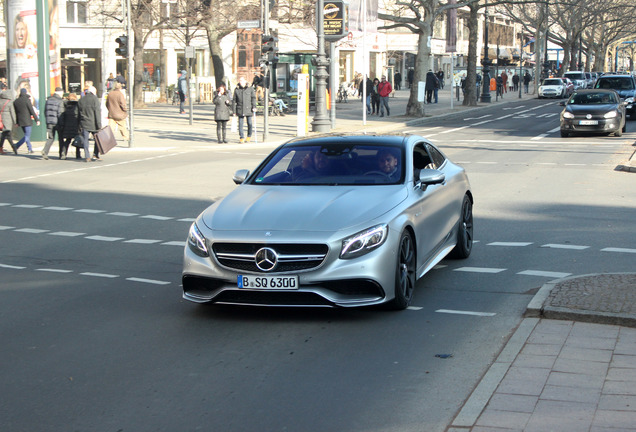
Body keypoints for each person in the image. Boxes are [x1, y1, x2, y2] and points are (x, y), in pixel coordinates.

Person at [77, 85, 101, 162]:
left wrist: (79, 124)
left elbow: (78, 113)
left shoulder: (81, 100)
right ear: (94, 92)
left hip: (84, 123)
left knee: (85, 140)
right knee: (97, 139)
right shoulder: (95, 100)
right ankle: (95, 154)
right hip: (94, 123)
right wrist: (99, 125)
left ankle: (87, 156)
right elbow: (97, 113)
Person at [13, 88, 40, 154]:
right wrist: (37, 120)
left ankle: (30, 149)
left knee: (26, 135)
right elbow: (32, 111)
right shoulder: (27, 100)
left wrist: (17, 122)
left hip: (20, 121)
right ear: (25, 93)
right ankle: (16, 145)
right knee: (27, 136)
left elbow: (16, 113)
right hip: (27, 121)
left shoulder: (16, 101)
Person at [41, 87, 65, 160]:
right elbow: (60, 113)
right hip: (57, 122)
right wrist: (62, 124)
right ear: (60, 93)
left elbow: (45, 111)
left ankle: (45, 151)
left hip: (49, 122)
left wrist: (47, 120)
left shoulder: (48, 100)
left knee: (51, 138)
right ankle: (62, 154)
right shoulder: (60, 101)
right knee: (61, 138)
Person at [232, 76, 256, 143]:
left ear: (245, 81)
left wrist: (254, 106)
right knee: (240, 124)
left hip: (248, 108)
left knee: (250, 123)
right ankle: (241, 137)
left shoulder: (250, 88)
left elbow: (253, 98)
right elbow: (234, 101)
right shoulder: (237, 89)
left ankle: (249, 136)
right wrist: (234, 111)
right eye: (240, 80)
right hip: (240, 108)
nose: (240, 82)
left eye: (242, 80)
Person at [57, 92, 80, 159]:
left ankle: (63, 153)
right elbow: (79, 115)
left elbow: (62, 116)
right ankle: (77, 154)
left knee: (67, 140)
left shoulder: (65, 105)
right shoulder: (77, 105)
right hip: (75, 125)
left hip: (67, 126)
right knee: (77, 140)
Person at [0, 85, 16, 155]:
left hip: (1, 119)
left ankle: (1, 148)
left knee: (5, 134)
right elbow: (12, 112)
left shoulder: (0, 101)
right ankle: (14, 147)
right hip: (8, 119)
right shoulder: (10, 102)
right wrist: (15, 122)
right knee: (7, 133)